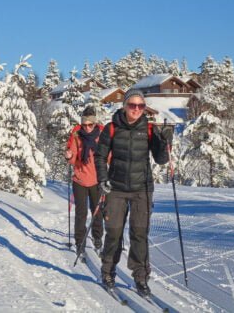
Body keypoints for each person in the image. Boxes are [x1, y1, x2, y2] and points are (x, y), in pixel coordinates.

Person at [94, 88, 173, 296]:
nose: (136, 109)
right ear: (125, 106)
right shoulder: (111, 128)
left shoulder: (148, 129)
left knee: (140, 234)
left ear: (144, 108)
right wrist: (103, 179)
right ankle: (108, 271)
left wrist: (165, 142)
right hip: (116, 189)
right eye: (132, 105)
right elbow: (100, 157)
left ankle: (140, 277)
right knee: (114, 232)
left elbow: (161, 160)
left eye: (140, 106)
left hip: (142, 190)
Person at [65, 106, 104, 254]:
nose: (87, 128)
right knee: (81, 213)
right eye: (85, 124)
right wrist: (69, 156)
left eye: (90, 124)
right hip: (80, 180)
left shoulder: (101, 135)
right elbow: (73, 157)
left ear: (95, 123)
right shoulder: (76, 135)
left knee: (97, 211)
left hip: (97, 180)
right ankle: (79, 241)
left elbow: (108, 155)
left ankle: (97, 237)